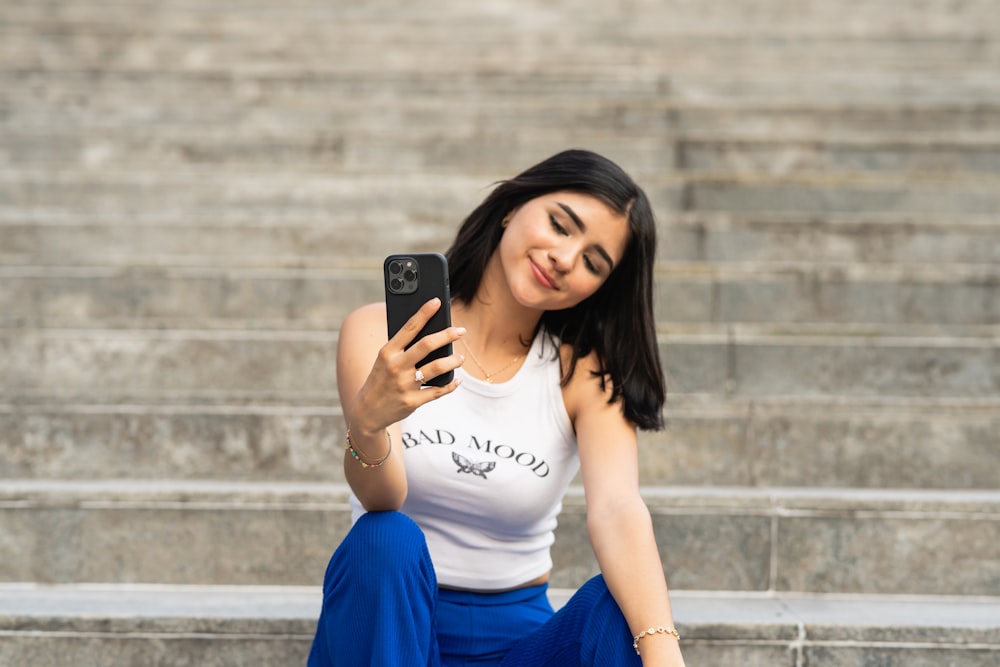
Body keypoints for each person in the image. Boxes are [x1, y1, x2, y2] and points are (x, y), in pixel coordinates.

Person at [309, 149, 686, 666]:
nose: (565, 258)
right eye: (560, 225)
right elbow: (382, 496)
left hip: (518, 643)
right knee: (383, 538)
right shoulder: (379, 333)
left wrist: (664, 651)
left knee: (615, 605)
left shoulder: (585, 375)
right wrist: (370, 423)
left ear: (601, 287)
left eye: (594, 262)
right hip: (390, 631)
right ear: (512, 206)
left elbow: (618, 507)